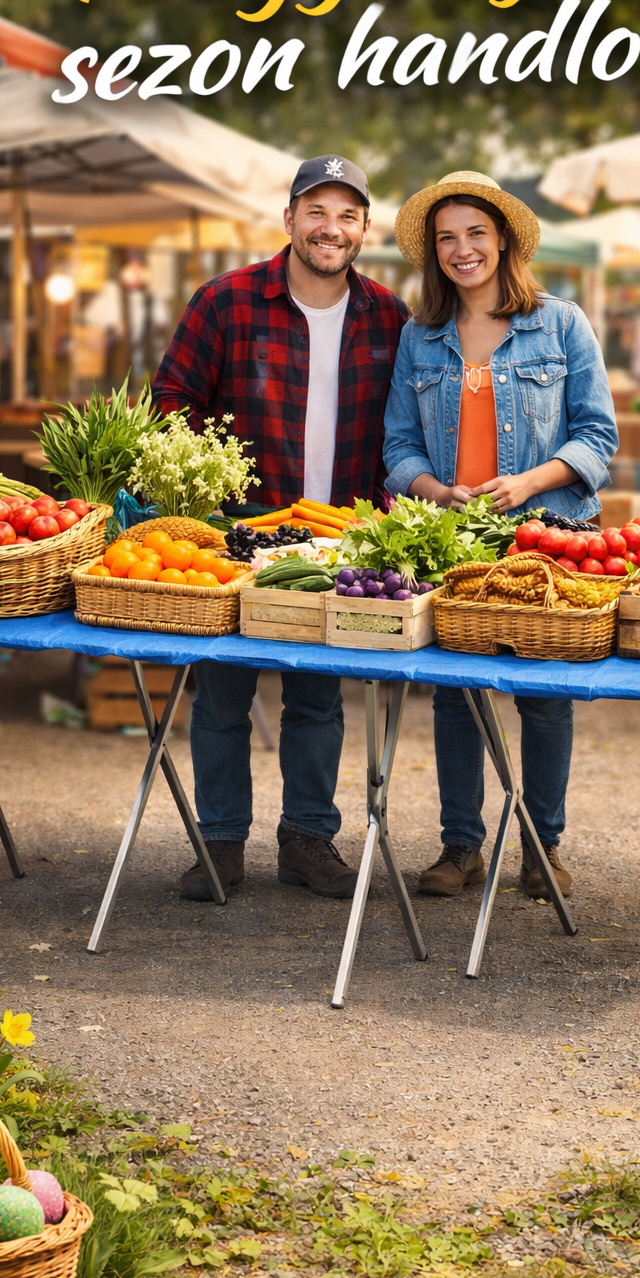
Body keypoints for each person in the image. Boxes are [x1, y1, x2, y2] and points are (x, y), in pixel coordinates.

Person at [153, 155, 408, 902]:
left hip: (337, 540)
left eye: (347, 215)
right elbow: (170, 400)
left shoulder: (389, 316)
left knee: (317, 701)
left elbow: (406, 429)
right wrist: (205, 491)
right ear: (290, 218)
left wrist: (381, 520)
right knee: (221, 697)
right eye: (317, 212)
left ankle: (307, 839)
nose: (332, 228)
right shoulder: (226, 302)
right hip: (238, 537)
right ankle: (220, 843)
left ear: (364, 228)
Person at [384, 171, 618, 899]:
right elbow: (399, 446)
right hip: (456, 543)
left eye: (476, 233)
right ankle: (461, 848)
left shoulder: (562, 324)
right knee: (454, 695)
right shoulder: (419, 337)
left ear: (505, 240)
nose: (462, 249)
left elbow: (597, 436)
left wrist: (528, 483)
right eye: (446, 238)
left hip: (547, 540)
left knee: (544, 695)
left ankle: (543, 848)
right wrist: (435, 491)